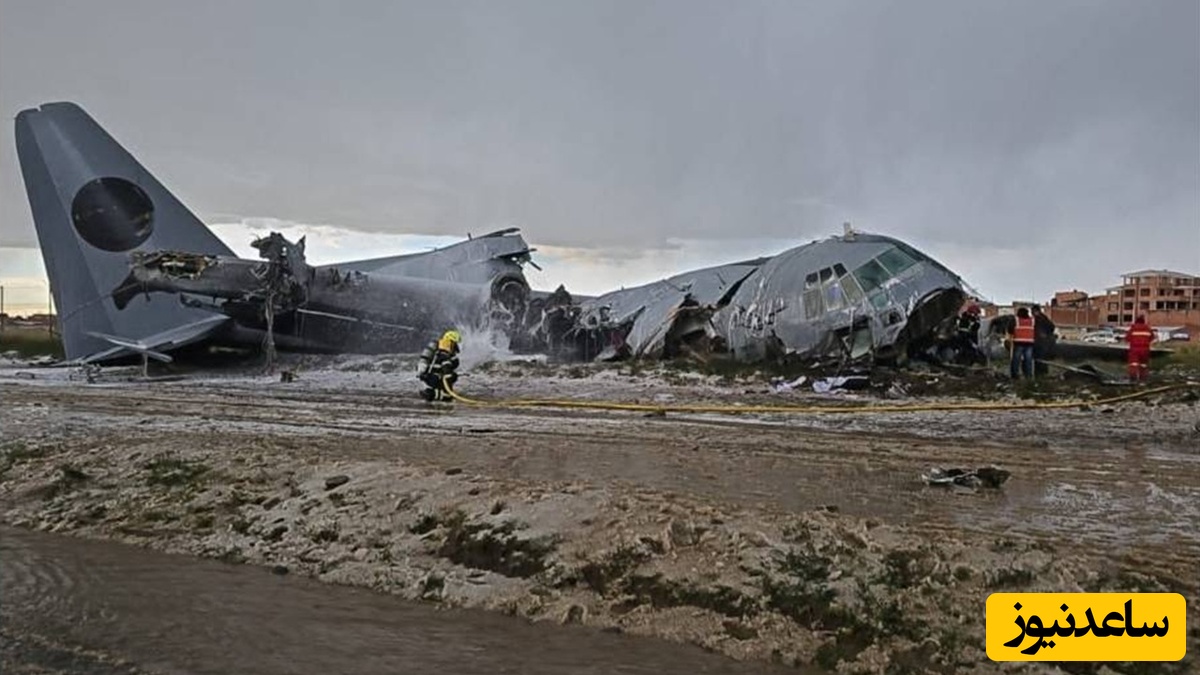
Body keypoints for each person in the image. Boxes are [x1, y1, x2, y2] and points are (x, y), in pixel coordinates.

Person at [417, 329, 462, 401]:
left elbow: (454, 362)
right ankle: (431, 394)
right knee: (447, 397)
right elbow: (445, 361)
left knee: (447, 394)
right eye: (455, 343)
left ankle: (434, 393)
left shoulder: (442, 348)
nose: (456, 345)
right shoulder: (444, 348)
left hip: (434, 376)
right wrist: (449, 374)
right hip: (434, 376)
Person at [1123, 316, 1154, 383]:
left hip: (1134, 349)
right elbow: (1152, 338)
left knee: (1134, 364)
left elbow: (1127, 338)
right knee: (1143, 364)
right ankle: (1143, 379)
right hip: (1145, 349)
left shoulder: (1133, 329)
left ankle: (1133, 379)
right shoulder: (1148, 329)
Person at [1008, 307, 1036, 379]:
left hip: (1018, 342)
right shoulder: (1032, 320)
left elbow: (1010, 329)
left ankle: (1015, 375)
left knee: (1016, 360)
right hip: (1030, 343)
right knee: (1028, 360)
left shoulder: (1016, 320)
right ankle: (1028, 375)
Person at [1030, 304, 1056, 376]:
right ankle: (1043, 374)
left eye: (1032, 312)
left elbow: (1051, 327)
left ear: (1036, 311)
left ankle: (1039, 375)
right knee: (1042, 360)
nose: (1032, 314)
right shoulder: (1044, 318)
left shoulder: (1039, 319)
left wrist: (1044, 334)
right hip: (1043, 343)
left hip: (1040, 343)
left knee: (1039, 360)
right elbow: (1052, 327)